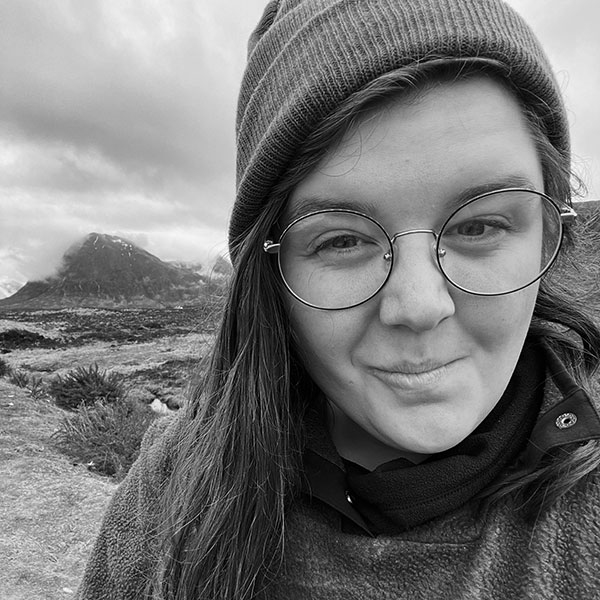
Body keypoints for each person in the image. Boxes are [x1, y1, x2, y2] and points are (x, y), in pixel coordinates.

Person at [77, 0, 600, 598]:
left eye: (479, 227)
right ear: (269, 272)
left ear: (548, 235)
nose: (419, 306)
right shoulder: (168, 493)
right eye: (342, 240)